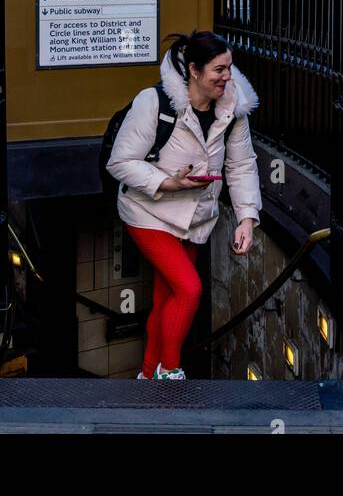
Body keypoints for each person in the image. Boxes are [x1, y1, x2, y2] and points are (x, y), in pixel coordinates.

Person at [106, 30, 262, 381]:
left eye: (229, 68)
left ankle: (147, 375)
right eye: (218, 70)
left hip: (195, 219)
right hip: (148, 212)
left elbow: (241, 165)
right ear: (194, 70)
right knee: (189, 289)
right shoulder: (155, 103)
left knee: (167, 298)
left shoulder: (233, 111)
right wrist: (167, 181)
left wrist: (246, 218)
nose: (227, 77)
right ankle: (169, 370)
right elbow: (119, 162)